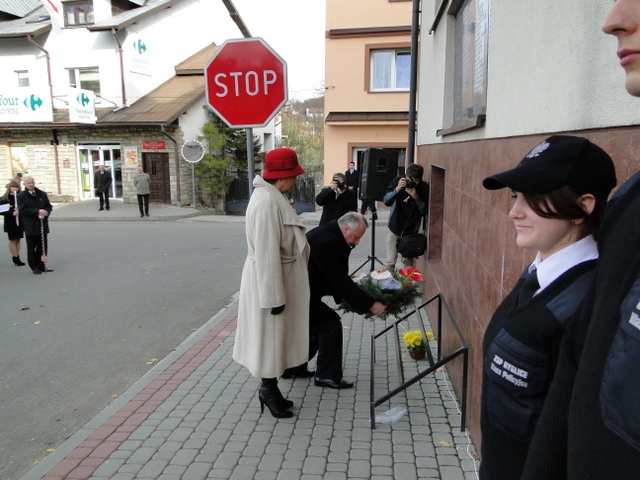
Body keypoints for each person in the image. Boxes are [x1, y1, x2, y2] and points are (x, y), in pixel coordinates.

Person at [520, 4, 640, 479]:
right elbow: (577, 379)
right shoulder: (630, 204)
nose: (612, 20)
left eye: (533, 199)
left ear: (584, 206)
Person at [479, 135, 616, 480]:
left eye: (534, 199)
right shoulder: (540, 272)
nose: (514, 212)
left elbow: (573, 434)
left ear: (583, 206)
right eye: (516, 196)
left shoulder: (587, 303)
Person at [232, 147, 310, 419]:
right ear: (282, 177)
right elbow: (266, 253)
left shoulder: (272, 196)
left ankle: (271, 389)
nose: (296, 181)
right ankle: (267, 390)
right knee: (269, 340)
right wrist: (273, 297)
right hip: (271, 281)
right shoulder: (266, 202)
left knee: (274, 339)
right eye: (294, 175)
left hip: (276, 278)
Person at [282, 212, 386, 388]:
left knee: (316, 328)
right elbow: (338, 280)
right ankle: (326, 376)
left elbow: (332, 274)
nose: (357, 242)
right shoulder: (328, 241)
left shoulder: (330, 233)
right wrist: (371, 304)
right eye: (357, 237)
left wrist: (350, 283)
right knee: (330, 326)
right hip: (298, 293)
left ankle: (293, 367)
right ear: (346, 229)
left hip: (303, 291)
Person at [382, 163, 430, 271]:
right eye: (411, 180)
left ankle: (407, 282)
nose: (413, 183)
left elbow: (424, 211)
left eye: (416, 181)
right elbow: (386, 201)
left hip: (411, 232)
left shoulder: (423, 188)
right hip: (394, 227)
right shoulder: (398, 181)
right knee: (390, 262)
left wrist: (415, 197)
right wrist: (397, 189)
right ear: (406, 176)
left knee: (408, 264)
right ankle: (388, 281)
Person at [17, 176, 53, 275]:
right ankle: (34, 267)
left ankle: (42, 265)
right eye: (28, 183)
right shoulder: (21, 196)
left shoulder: (41, 194)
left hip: (42, 224)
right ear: (24, 184)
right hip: (31, 225)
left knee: (42, 246)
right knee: (32, 247)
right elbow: (23, 210)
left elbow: (48, 206)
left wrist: (46, 211)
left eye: (32, 182)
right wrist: (37, 211)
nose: (31, 184)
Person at [0, 180, 25, 266]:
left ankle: (18, 256)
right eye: (13, 187)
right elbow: (1, 211)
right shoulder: (4, 198)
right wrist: (11, 213)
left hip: (20, 221)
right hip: (10, 222)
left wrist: (20, 211)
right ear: (9, 188)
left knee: (18, 239)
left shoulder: (20, 197)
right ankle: (15, 257)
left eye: (16, 187)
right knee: (13, 239)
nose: (15, 189)